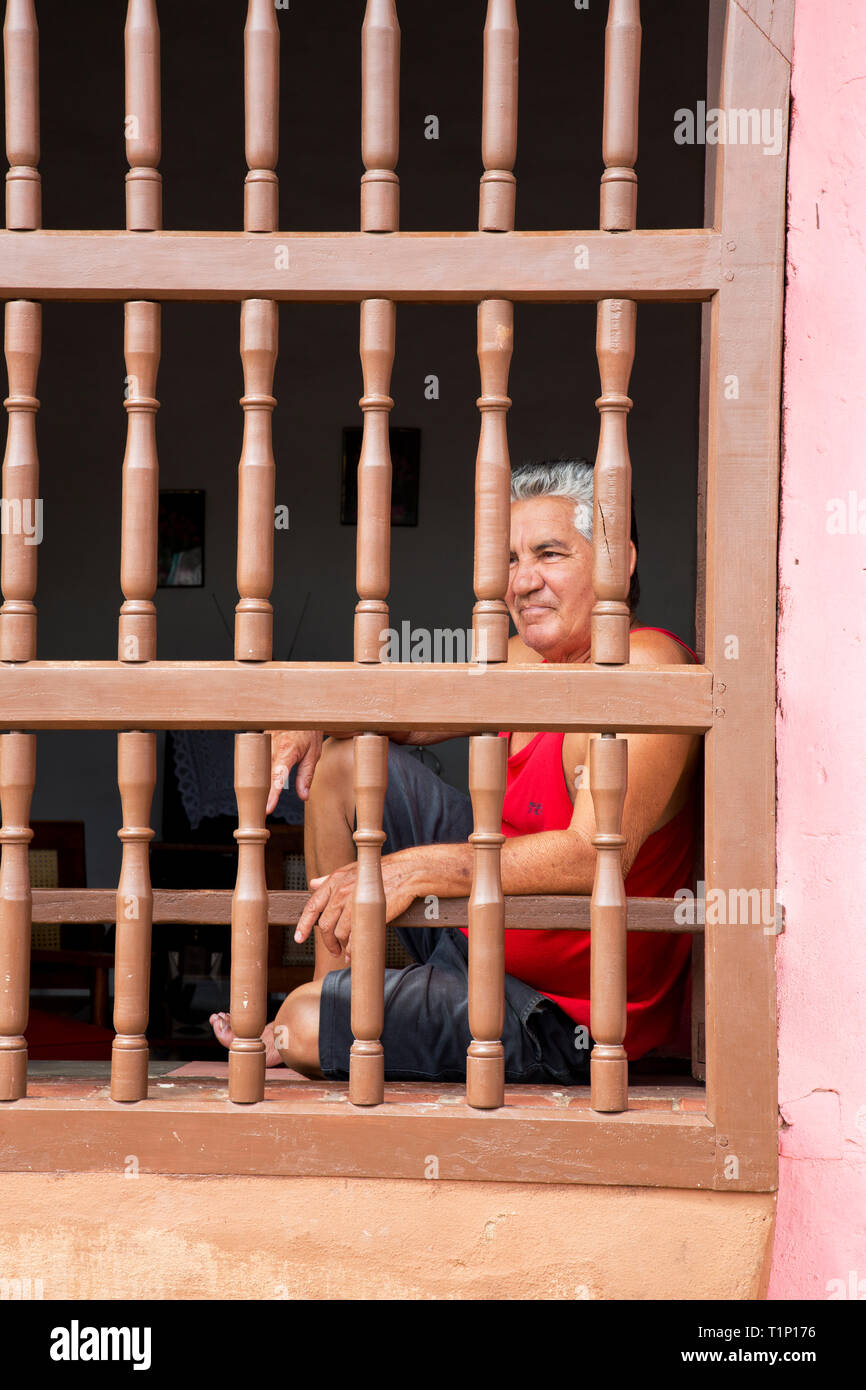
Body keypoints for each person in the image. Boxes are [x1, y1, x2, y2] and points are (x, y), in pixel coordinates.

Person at [210, 458, 700, 1083]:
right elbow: (407, 716)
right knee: (343, 762)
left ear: (618, 562)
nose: (522, 582)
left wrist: (416, 866)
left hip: (557, 1015)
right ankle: (333, 989)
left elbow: (592, 856)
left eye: (549, 554)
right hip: (473, 941)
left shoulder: (647, 668)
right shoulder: (529, 664)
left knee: (302, 1025)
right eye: (512, 560)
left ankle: (318, 1022)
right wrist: (318, 712)